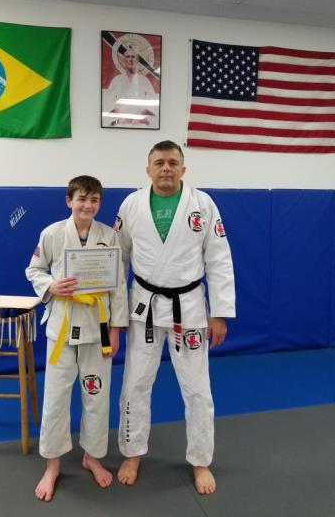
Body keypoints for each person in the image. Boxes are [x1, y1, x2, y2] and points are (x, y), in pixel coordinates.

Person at [114, 140, 235, 495]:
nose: (166, 168)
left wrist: (220, 313)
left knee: (197, 389)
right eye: (159, 162)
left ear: (183, 168)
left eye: (172, 162)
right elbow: (118, 260)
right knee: (135, 384)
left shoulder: (203, 204)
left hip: (190, 308)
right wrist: (116, 314)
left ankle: (201, 460)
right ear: (148, 169)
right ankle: (132, 452)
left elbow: (219, 258)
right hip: (145, 308)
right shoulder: (131, 205)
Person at [26, 175, 128, 502]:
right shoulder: (53, 233)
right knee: (56, 398)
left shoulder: (109, 236)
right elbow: (34, 270)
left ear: (100, 204)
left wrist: (116, 329)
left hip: (99, 327)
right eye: (82, 198)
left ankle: (92, 457)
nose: (88, 205)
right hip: (62, 327)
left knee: (97, 396)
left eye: (94, 200)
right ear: (69, 200)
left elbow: (119, 286)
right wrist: (51, 286)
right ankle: (52, 465)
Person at [103, 46, 158, 128]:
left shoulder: (144, 81)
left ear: (137, 60)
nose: (130, 59)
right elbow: (109, 102)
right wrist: (120, 117)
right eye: (128, 57)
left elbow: (152, 101)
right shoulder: (117, 80)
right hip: (120, 123)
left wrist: (140, 116)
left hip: (140, 123)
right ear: (123, 60)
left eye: (133, 57)